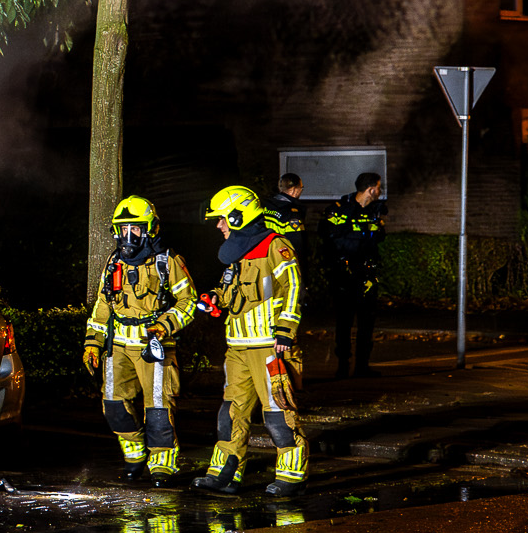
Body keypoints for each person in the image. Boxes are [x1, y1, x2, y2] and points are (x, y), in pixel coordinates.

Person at [193, 184, 307, 497]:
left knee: (277, 412)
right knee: (231, 413)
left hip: (269, 347)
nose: (218, 225)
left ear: (238, 216)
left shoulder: (275, 246)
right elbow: (229, 290)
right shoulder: (236, 252)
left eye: (222, 219)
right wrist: (214, 299)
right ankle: (225, 472)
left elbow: (294, 287)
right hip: (238, 348)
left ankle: (291, 475)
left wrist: (285, 329)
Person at [82, 195, 198, 485]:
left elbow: (188, 301)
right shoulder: (113, 261)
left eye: (135, 228)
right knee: (113, 404)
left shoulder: (167, 261)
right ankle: (134, 455)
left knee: (158, 407)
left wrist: (164, 325)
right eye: (123, 229)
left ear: (150, 229)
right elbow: (103, 304)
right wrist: (92, 342)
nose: (128, 235)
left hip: (153, 346)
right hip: (117, 346)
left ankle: (162, 463)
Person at [322, 171, 386, 379]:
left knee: (367, 322)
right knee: (344, 322)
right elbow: (330, 239)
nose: (380, 191)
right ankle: (342, 366)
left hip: (367, 276)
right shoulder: (340, 210)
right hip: (345, 276)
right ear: (371, 189)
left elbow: (378, 238)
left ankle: (362, 366)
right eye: (378, 187)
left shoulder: (375, 211)